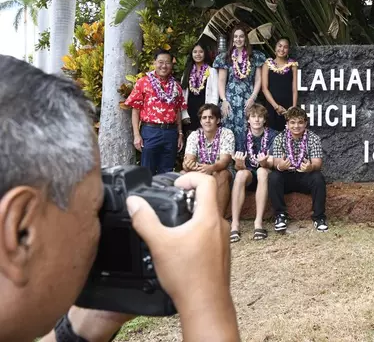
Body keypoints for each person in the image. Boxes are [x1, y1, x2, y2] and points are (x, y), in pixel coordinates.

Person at [0, 55, 239, 342]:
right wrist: (206, 298)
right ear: (20, 230)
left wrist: (81, 329)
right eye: (96, 208)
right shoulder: (145, 84)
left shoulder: (175, 87)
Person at [125, 49, 186, 175]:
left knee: (167, 172)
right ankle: (146, 195)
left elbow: (178, 110)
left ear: (171, 65)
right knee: (147, 171)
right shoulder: (143, 82)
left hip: (171, 132)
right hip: (150, 131)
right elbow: (135, 110)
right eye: (160, 62)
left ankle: (164, 195)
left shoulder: (176, 86)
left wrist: (180, 133)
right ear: (154, 63)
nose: (164, 66)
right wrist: (137, 135)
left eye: (167, 62)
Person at [269, 107, 328, 232]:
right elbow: (276, 162)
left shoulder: (313, 138)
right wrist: (281, 166)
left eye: (300, 122)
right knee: (274, 176)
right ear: (287, 123)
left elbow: (318, 163)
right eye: (293, 122)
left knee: (318, 177)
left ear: (305, 123)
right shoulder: (280, 138)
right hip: (287, 175)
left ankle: (319, 217)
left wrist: (311, 167)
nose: (296, 126)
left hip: (305, 175)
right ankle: (280, 215)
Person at [230, 104, 278, 242]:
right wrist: (238, 163)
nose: (256, 120)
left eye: (260, 117)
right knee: (240, 174)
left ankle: (258, 223)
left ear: (264, 120)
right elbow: (239, 166)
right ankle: (235, 224)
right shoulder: (241, 136)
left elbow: (271, 163)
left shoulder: (273, 135)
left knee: (262, 171)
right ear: (248, 120)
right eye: (253, 116)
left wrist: (264, 162)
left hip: (266, 173)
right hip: (249, 174)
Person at [214, 26, 267, 151]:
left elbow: (258, 79)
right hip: (230, 99)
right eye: (236, 36)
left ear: (246, 39)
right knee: (228, 129)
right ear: (232, 39)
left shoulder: (255, 57)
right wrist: (224, 100)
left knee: (247, 128)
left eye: (241, 36)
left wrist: (253, 97)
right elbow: (221, 80)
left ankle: (247, 162)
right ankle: (229, 163)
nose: (238, 39)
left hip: (248, 98)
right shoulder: (225, 57)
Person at [183, 103, 234, 215]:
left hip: (221, 171)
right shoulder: (194, 135)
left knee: (221, 174)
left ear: (218, 120)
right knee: (183, 174)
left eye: (211, 117)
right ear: (200, 121)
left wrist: (211, 168)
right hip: (200, 170)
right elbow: (188, 160)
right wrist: (188, 165)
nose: (207, 121)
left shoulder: (227, 133)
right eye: (204, 118)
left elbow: (224, 161)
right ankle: (189, 218)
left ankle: (219, 219)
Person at [181, 43, 219, 135]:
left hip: (205, 111)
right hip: (190, 112)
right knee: (191, 140)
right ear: (191, 54)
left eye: (201, 52)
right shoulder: (187, 71)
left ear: (205, 53)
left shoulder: (212, 71)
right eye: (195, 52)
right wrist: (184, 114)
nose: (198, 54)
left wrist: (210, 113)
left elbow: (215, 94)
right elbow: (182, 94)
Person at [262, 37, 299, 131]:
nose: (282, 49)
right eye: (280, 46)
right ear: (275, 47)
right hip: (272, 106)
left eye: (285, 47)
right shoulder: (267, 65)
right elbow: (264, 89)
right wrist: (276, 106)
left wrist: (293, 108)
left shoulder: (293, 65)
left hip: (288, 107)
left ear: (288, 50)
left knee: (289, 135)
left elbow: (294, 89)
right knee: (272, 135)